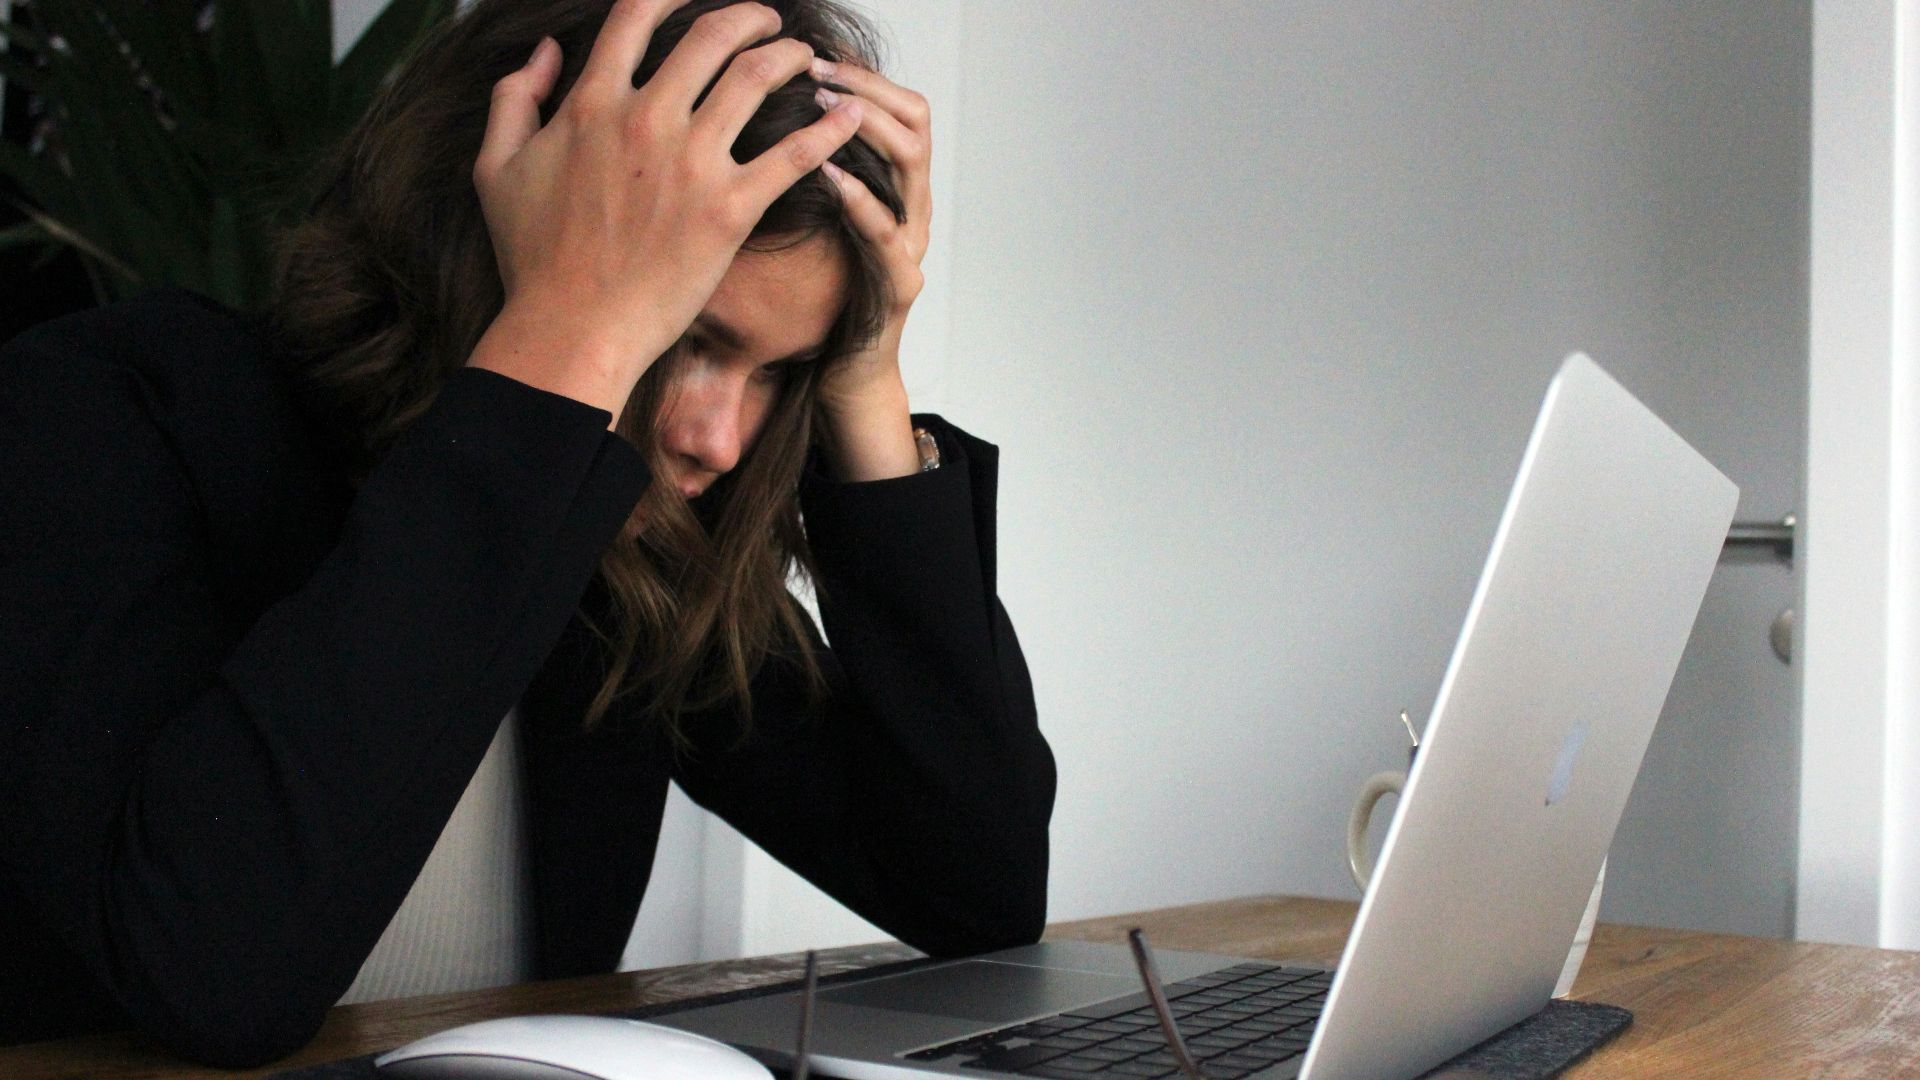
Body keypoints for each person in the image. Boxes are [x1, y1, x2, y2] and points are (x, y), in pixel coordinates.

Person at [0, 0, 1054, 1066]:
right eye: (684, 333)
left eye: (781, 371)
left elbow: (974, 892)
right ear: (493, 227)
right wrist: (571, 335)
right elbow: (212, 978)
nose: (721, 439)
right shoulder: (102, 416)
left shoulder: (623, 554)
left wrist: (867, 373)